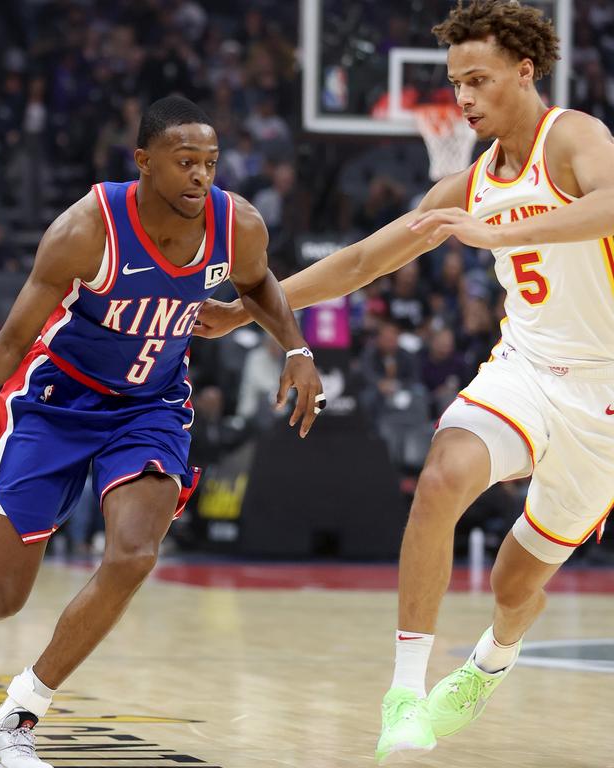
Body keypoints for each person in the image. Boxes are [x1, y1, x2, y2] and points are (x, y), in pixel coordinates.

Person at [195, 1, 614, 762]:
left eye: (479, 80)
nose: (463, 98)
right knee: (441, 475)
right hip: (523, 368)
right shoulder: (469, 182)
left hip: (605, 398)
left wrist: (498, 232)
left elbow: (613, 204)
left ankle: (493, 659)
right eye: (456, 83)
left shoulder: (575, 137)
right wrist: (255, 308)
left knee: (516, 584)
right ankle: (405, 696)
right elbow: (362, 261)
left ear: (526, 71)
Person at [0, 95, 322, 768]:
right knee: (2, 601)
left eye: (211, 163)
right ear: (144, 161)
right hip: (55, 403)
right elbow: (9, 340)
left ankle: (16, 716)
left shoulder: (238, 225)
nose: (202, 176)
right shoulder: (86, 229)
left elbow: (260, 286)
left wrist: (296, 348)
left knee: (136, 553)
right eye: (185, 161)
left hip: (151, 405)